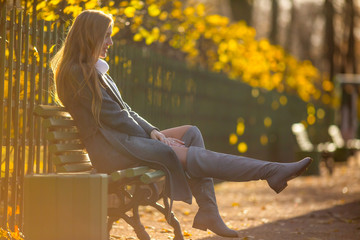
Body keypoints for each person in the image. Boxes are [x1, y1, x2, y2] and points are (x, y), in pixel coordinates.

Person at [51, 10, 312, 238]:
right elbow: (116, 117)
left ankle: (209, 211)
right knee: (187, 154)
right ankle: (271, 171)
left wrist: (153, 132)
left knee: (191, 133)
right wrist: (157, 139)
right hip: (111, 150)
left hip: (122, 141)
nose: (110, 42)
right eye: (106, 35)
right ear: (89, 36)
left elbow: (126, 111)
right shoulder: (76, 73)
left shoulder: (93, 71)